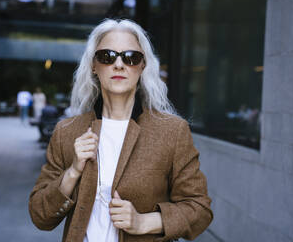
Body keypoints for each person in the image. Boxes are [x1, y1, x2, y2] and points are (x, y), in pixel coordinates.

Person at [29, 19, 213, 242]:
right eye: (107, 56)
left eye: (131, 57)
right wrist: (73, 172)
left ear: (143, 66)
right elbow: (40, 215)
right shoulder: (67, 131)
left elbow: (199, 209)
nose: (119, 65)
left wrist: (144, 222)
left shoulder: (172, 132)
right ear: (93, 66)